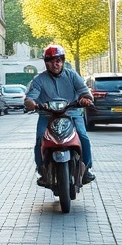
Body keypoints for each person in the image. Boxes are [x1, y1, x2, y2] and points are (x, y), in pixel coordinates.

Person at [23, 44, 96, 185]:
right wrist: (30, 102)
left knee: (83, 136)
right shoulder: (39, 79)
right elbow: (31, 97)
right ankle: (42, 170)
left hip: (72, 114)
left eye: (58, 60)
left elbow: (83, 90)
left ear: (62, 61)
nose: (55, 64)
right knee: (40, 138)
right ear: (45, 62)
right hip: (47, 116)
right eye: (50, 60)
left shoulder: (72, 75)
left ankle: (86, 168)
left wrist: (86, 99)